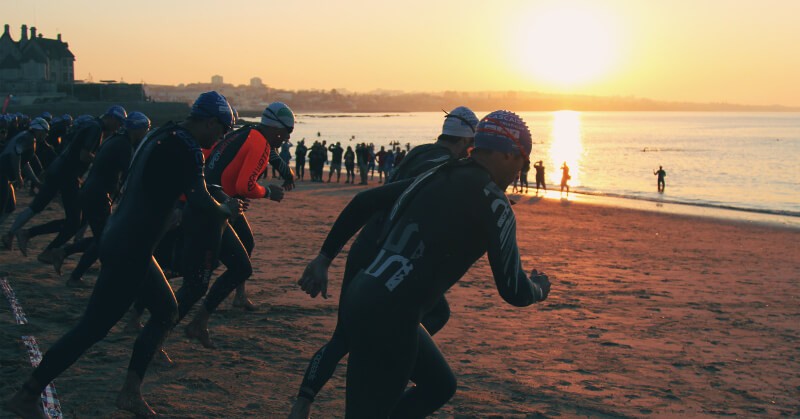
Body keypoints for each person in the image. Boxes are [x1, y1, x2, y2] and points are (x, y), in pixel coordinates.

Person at [295, 110, 550, 417]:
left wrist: (324, 258)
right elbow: (513, 290)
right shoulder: (495, 204)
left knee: (439, 385)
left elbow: (364, 201)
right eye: (523, 162)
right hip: (392, 316)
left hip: (361, 293)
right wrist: (539, 288)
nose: (520, 172)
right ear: (509, 154)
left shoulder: (438, 173)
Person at [3, 92, 243, 419]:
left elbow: (162, 186)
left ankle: (130, 392)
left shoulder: (161, 134)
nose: (221, 137)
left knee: (166, 310)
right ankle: (28, 394)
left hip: (124, 238)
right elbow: (199, 199)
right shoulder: (187, 147)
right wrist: (225, 210)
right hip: (132, 247)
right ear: (211, 122)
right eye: (223, 130)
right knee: (92, 328)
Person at [177, 102, 294, 348]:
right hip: (214, 208)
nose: (287, 139)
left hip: (214, 201)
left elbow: (218, 163)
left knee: (243, 248)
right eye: (287, 133)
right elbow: (245, 185)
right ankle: (177, 323)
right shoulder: (260, 143)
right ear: (277, 129)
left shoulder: (246, 132)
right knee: (199, 278)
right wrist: (268, 192)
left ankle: (229, 302)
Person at [2, 106, 127, 258]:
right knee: (75, 220)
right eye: (119, 123)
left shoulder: (91, 124)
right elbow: (84, 155)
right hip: (68, 175)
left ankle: (17, 234)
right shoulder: (96, 129)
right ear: (111, 118)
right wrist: (102, 161)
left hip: (58, 170)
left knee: (37, 207)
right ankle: (41, 244)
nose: (118, 127)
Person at [48, 113, 152, 284]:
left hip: (92, 192)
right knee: (105, 239)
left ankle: (66, 256)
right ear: (137, 129)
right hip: (98, 195)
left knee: (102, 238)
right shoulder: (124, 145)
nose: (146, 133)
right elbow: (129, 173)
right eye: (146, 129)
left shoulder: (114, 139)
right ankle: (74, 271)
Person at [0, 118, 48, 227]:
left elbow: (25, 163)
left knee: (9, 207)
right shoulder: (28, 137)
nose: (46, 135)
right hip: (2, 174)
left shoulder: (27, 136)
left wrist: (36, 182)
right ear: (40, 130)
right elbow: (15, 153)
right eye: (45, 132)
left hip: (6, 176)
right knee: (2, 207)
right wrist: (18, 176)